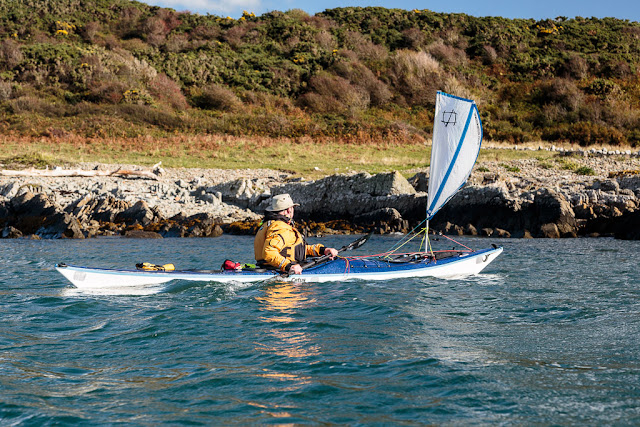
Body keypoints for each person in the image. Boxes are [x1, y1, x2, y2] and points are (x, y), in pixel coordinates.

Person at [254, 194, 338, 274]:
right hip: (280, 272)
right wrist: (288, 266)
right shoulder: (281, 228)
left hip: (269, 267)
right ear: (289, 210)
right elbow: (269, 253)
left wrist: (322, 250)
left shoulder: (269, 224)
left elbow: (297, 250)